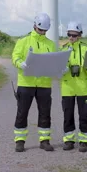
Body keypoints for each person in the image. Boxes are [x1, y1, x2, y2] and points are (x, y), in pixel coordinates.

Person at [11, 12, 57, 152]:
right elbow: (15, 57)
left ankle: (44, 141)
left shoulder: (51, 44)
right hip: (26, 83)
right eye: (40, 30)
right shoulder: (23, 41)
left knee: (45, 113)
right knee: (22, 112)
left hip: (44, 84)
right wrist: (21, 63)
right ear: (34, 26)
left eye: (45, 30)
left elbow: (54, 60)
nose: (42, 32)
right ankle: (20, 141)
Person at [59, 21, 87, 152]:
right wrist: (61, 70)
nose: (71, 37)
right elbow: (56, 70)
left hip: (84, 88)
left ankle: (84, 141)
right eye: (69, 34)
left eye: (74, 35)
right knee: (67, 115)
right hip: (68, 88)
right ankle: (69, 140)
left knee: (85, 115)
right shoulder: (62, 50)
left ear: (80, 35)